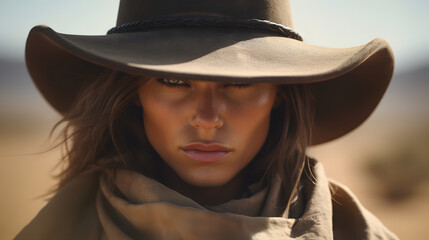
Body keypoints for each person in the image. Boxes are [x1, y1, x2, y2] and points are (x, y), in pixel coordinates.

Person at [16, 0, 398, 239]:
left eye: (239, 83)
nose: (207, 118)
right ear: (133, 93)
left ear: (280, 94)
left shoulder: (354, 231)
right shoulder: (59, 229)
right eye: (172, 80)